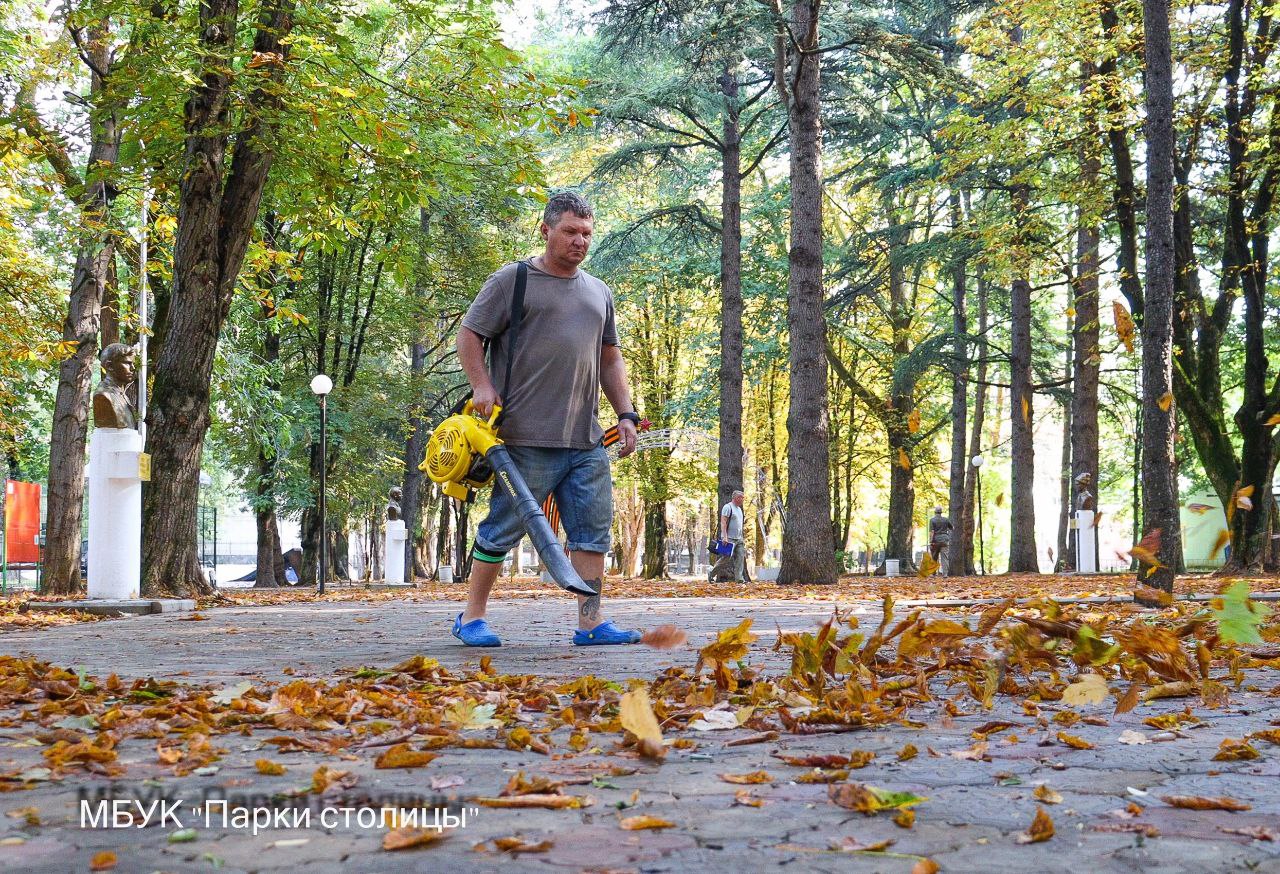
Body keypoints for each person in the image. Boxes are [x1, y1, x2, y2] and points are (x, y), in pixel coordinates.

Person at [450, 191, 641, 647]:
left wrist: (627, 414)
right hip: (521, 438)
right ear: (546, 230)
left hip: (585, 440)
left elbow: (610, 359)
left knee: (591, 534)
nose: (580, 241)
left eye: (587, 234)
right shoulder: (512, 281)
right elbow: (469, 334)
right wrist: (481, 385)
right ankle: (471, 617)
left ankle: (590, 624)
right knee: (502, 529)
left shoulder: (599, 292)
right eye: (571, 232)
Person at [92, 343, 137, 430]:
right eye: (127, 363)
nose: (133, 368)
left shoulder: (121, 394)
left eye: (132, 364)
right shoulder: (103, 396)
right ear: (110, 366)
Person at [715, 490, 746, 583]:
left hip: (739, 538)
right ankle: (711, 573)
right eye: (740, 497)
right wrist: (725, 537)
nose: (742, 500)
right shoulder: (728, 507)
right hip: (729, 538)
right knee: (725, 558)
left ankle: (739, 579)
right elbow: (723, 522)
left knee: (740, 558)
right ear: (735, 498)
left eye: (743, 498)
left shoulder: (739, 509)